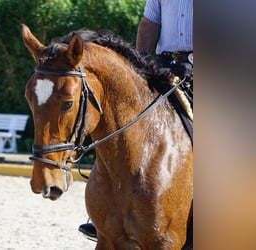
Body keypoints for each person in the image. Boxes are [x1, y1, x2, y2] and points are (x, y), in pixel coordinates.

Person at [78, 0, 193, 240]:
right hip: (164, 67)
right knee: (122, 125)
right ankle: (107, 209)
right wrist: (139, 66)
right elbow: (150, 23)